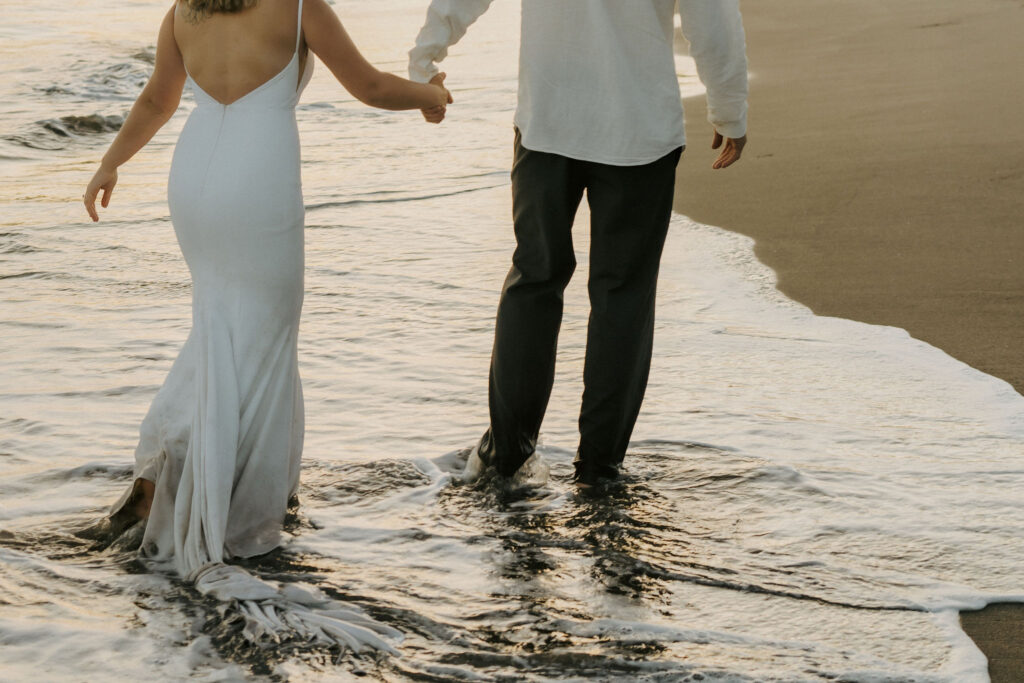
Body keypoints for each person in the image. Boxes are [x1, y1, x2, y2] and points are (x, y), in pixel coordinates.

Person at [82, 0, 451, 582]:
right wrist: (431, 96)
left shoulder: (184, 12)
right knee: (263, 343)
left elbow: (158, 98)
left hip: (194, 182)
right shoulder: (301, 8)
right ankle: (236, 509)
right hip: (258, 181)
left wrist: (110, 162)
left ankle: (165, 472)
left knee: (218, 329)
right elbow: (372, 87)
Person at [408, 0, 749, 487]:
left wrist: (425, 63)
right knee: (622, 297)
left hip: (549, 122)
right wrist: (729, 108)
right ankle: (599, 468)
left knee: (535, 280)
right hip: (639, 128)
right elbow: (711, 20)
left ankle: (508, 455)